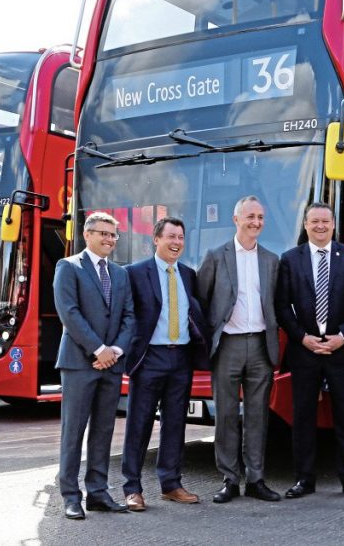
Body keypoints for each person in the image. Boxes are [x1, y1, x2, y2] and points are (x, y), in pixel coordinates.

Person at [275, 202, 344, 500]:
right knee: (302, 416)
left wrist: (343, 336)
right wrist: (302, 338)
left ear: (333, 224)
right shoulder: (290, 259)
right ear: (305, 224)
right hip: (305, 351)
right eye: (314, 221)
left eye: (325, 221)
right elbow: (281, 306)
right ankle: (304, 479)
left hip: (342, 350)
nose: (320, 226)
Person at [196, 196, 282, 504]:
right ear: (236, 219)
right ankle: (230, 480)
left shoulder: (272, 260)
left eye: (260, 217)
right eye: (250, 216)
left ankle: (256, 479)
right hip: (228, 344)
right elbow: (202, 301)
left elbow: (275, 302)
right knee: (227, 415)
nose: (256, 222)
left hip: (260, 344)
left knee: (258, 416)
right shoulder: (216, 256)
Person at [120, 217, 210, 511]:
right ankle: (132, 488)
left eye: (181, 237)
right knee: (139, 423)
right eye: (170, 236)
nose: (176, 242)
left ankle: (171, 484)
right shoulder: (135, 273)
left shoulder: (188, 274)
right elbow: (127, 315)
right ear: (156, 240)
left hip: (180, 357)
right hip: (149, 358)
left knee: (175, 423)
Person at [52, 212, 135, 520]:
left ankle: (98, 492)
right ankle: (70, 496)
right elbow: (69, 313)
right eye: (103, 233)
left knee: (103, 429)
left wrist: (114, 350)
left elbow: (129, 316)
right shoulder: (68, 267)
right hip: (79, 364)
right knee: (72, 431)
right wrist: (98, 349)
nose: (109, 240)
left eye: (113, 235)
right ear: (87, 235)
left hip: (111, 364)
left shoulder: (121, 274)